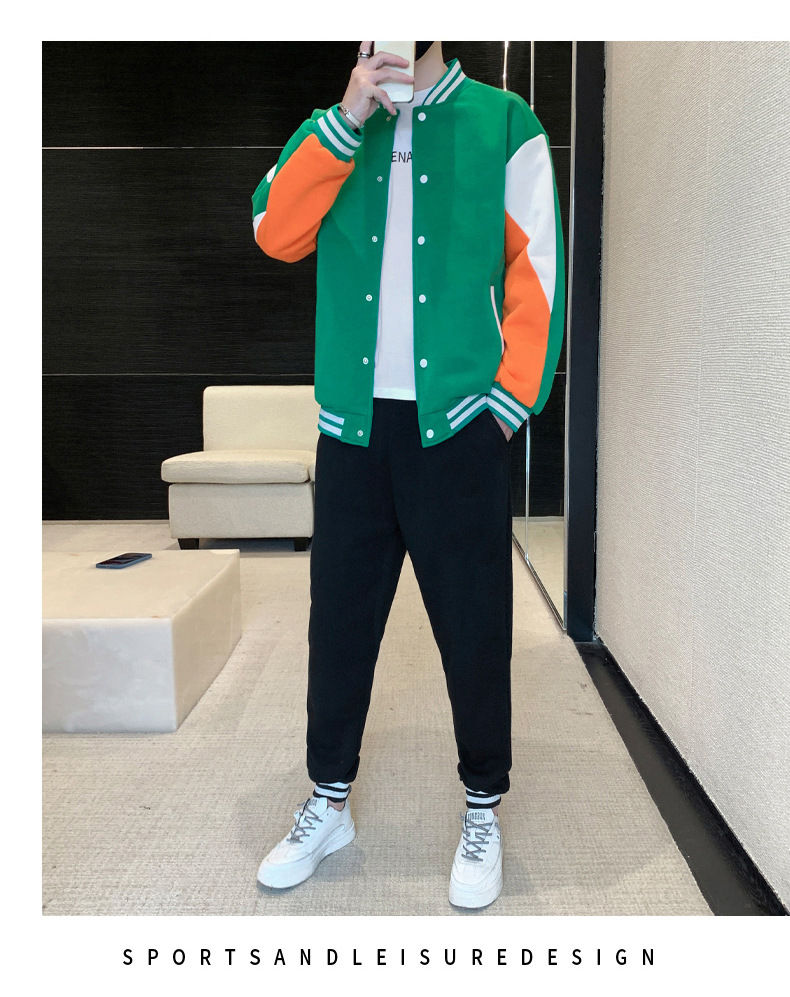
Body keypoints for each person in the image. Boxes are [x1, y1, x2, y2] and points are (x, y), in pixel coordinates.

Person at [251, 41, 565, 909]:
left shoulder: (504, 123)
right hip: (352, 428)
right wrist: (349, 114)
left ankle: (482, 804)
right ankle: (329, 800)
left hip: (457, 426)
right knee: (338, 623)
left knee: (473, 625)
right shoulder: (334, 127)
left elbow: (537, 269)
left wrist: (507, 404)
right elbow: (274, 230)